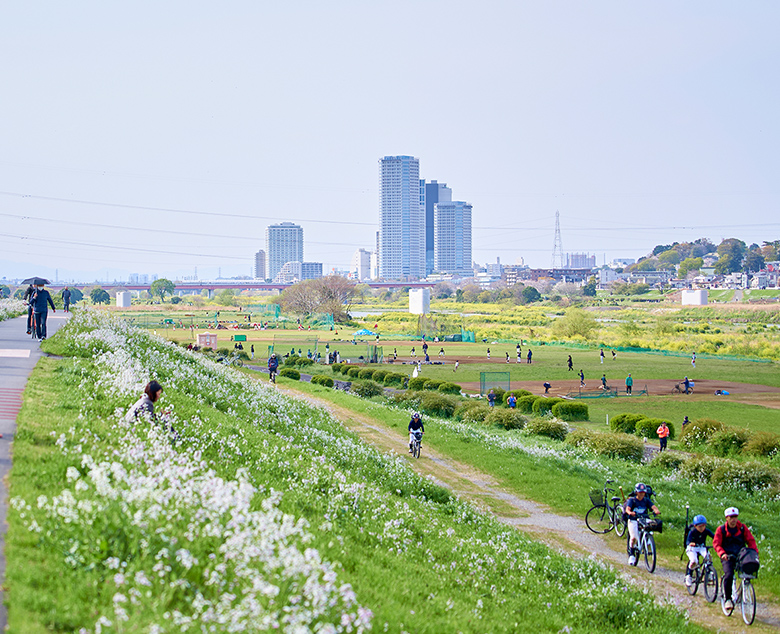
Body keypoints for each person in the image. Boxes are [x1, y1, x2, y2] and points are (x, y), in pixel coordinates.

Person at [713, 507, 758, 611]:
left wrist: (754, 553)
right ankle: (728, 599)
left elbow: (751, 541)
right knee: (729, 575)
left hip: (741, 555)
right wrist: (722, 553)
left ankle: (745, 590)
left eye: (735, 517)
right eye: (731, 517)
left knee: (749, 570)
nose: (733, 519)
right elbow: (716, 544)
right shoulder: (721, 530)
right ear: (726, 518)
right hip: (727, 556)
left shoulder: (742, 528)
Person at [625, 483, 660, 566]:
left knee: (651, 527)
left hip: (644, 518)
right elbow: (627, 509)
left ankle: (647, 542)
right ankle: (632, 555)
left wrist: (656, 510)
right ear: (636, 492)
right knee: (633, 538)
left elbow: (653, 506)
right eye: (640, 492)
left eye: (643, 492)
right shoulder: (632, 500)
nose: (642, 494)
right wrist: (630, 513)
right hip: (633, 519)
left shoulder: (646, 500)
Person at [685, 515, 714, 587]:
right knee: (694, 561)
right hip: (692, 548)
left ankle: (709, 572)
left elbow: (714, 536)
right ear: (695, 526)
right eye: (700, 526)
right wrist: (690, 543)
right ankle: (689, 576)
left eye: (704, 526)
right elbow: (688, 541)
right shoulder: (692, 531)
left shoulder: (706, 531)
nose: (702, 528)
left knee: (708, 557)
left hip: (702, 547)